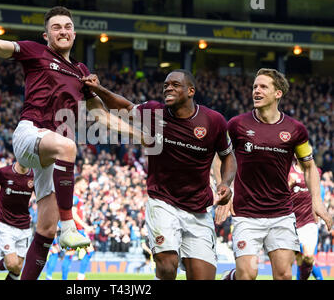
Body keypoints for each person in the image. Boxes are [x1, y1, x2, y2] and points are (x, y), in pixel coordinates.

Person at [0, 4, 143, 280]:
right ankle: (69, 225)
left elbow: (101, 115)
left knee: (45, 231)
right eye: (56, 27)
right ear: (46, 35)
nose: (63, 31)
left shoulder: (81, 71)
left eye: (68, 27)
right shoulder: (34, 51)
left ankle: (53, 237)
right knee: (68, 146)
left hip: (51, 153)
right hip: (30, 133)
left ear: (74, 34)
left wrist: (142, 137)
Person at [83, 69, 237, 280]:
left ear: (191, 91)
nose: (168, 88)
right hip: (163, 203)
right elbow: (125, 107)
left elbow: (227, 156)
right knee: (166, 265)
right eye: (166, 85)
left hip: (199, 209)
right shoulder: (154, 113)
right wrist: (98, 90)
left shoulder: (214, 121)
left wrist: (226, 184)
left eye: (175, 85)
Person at [218, 68, 332, 280]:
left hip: (281, 214)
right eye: (254, 87)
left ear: (278, 93)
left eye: (263, 87)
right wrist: (224, 188)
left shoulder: (296, 129)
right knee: (247, 275)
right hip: (246, 215)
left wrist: (317, 200)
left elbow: (308, 166)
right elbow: (220, 154)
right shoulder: (236, 125)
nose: (256, 91)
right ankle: (231, 277)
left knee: (284, 276)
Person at [0, 161, 35, 280]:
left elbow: (41, 198)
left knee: (18, 268)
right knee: (11, 264)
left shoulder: (34, 176)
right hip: (5, 224)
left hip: (24, 225)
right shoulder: (3, 172)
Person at [288, 158, 325, 280]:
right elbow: (279, 195)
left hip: (309, 222)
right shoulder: (288, 172)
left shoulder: (316, 172)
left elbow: (319, 193)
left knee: (309, 257)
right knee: (300, 260)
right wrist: (289, 184)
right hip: (291, 223)